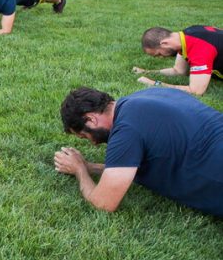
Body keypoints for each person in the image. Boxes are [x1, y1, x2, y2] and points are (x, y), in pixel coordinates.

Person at [54, 87, 222, 216]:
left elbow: (103, 204)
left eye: (85, 136)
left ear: (91, 119)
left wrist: (80, 170)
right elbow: (127, 167)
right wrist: (91, 167)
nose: (94, 143)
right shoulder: (150, 94)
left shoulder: (126, 131)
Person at [132, 25, 221, 96]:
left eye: (159, 54)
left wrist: (154, 83)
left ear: (164, 43)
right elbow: (179, 71)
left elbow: (196, 91)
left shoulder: (199, 48)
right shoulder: (186, 35)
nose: (161, 58)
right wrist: (146, 72)